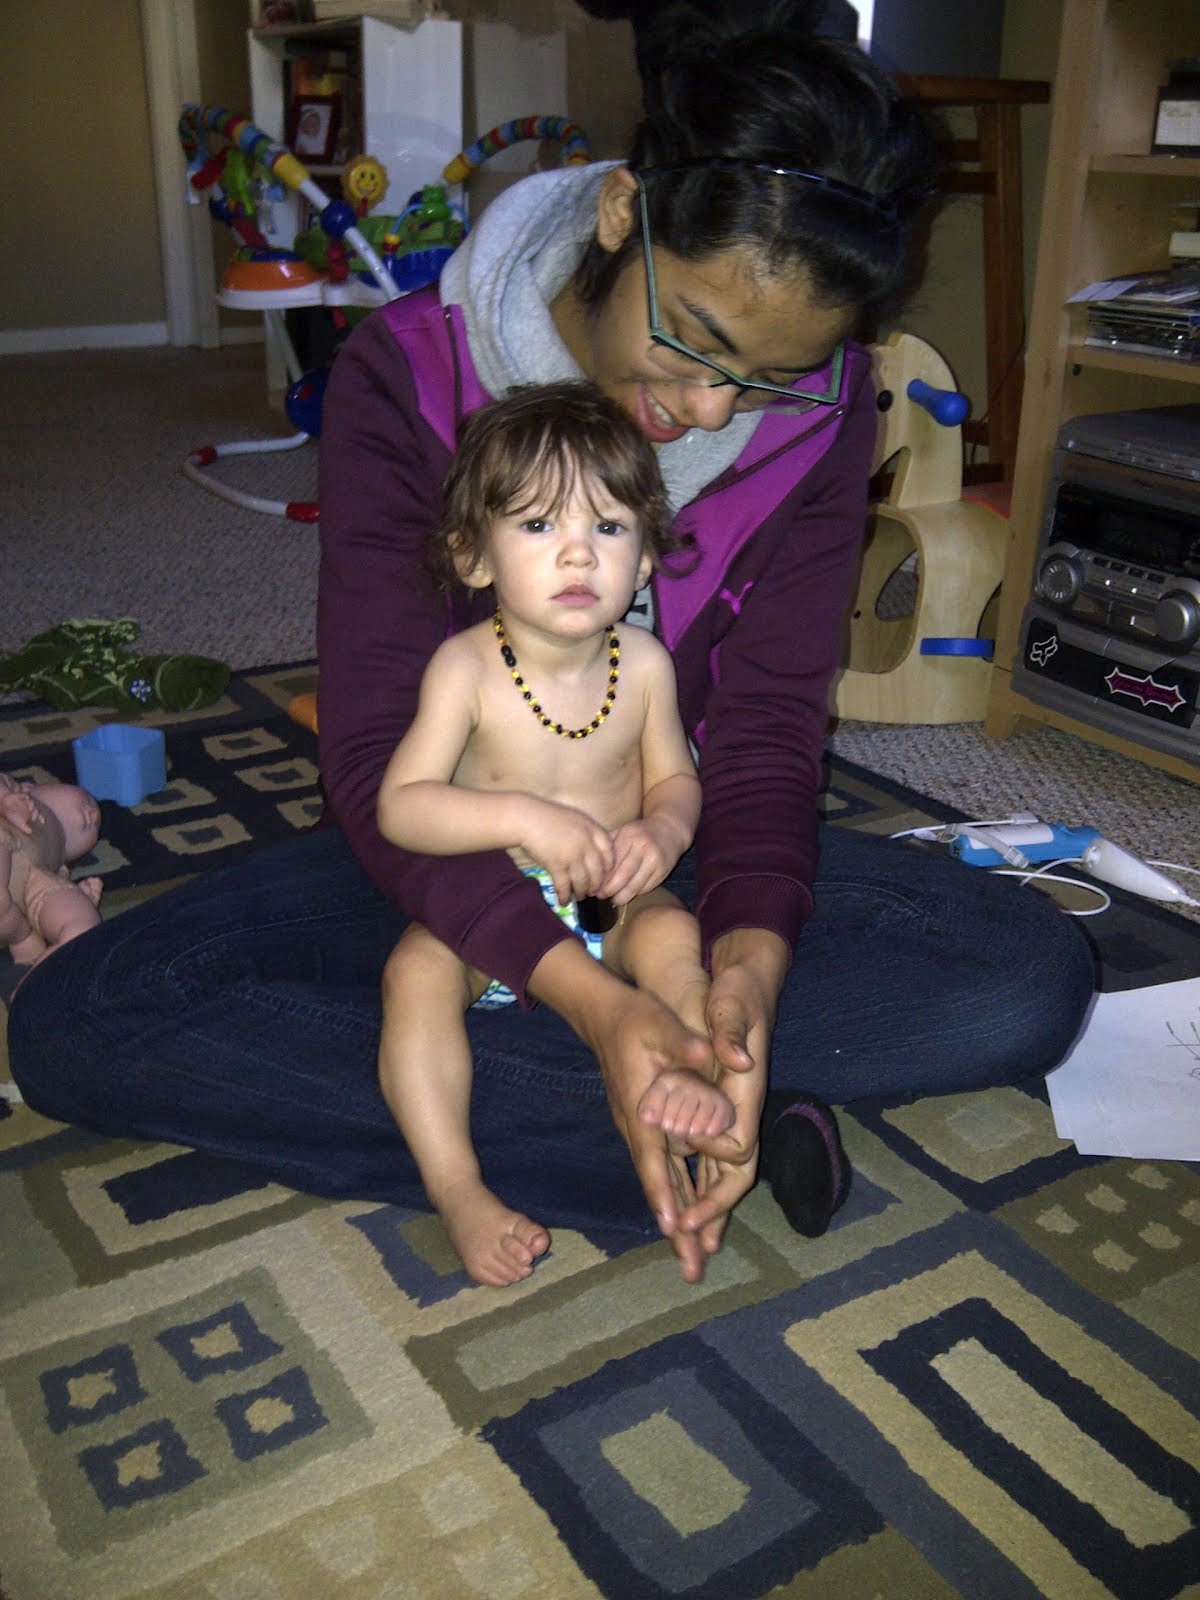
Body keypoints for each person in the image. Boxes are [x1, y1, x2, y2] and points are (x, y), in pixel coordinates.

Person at [6, 0, 1094, 1287]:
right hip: (446, 859)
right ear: (623, 213)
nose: (709, 409)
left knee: (1031, 976)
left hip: (660, 862)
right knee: (82, 1019)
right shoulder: (406, 376)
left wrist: (746, 972)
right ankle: (663, 1103)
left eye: (765, 376)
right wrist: (592, 1004)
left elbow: (764, 736)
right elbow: (375, 759)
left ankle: (647, 1080)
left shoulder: (828, 406)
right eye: (695, 339)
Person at [376, 381, 741, 1285]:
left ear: (645, 559)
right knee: (413, 974)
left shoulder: (646, 665)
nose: (579, 552)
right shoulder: (464, 669)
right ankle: (457, 1186)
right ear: (473, 558)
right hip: (490, 918)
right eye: (539, 524)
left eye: (609, 528)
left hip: (615, 899)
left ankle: (683, 1066)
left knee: (675, 936)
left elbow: (676, 780)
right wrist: (521, 818)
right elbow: (402, 806)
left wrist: (664, 830)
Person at [0, 776, 102, 972]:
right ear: (33, 787)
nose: (95, 815)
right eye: (87, 799)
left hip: (32, 882)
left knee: (84, 927)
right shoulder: (17, 793)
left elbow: (52, 896)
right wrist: (4, 799)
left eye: (95, 830)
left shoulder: (51, 875)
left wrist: (77, 901)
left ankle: (39, 976)